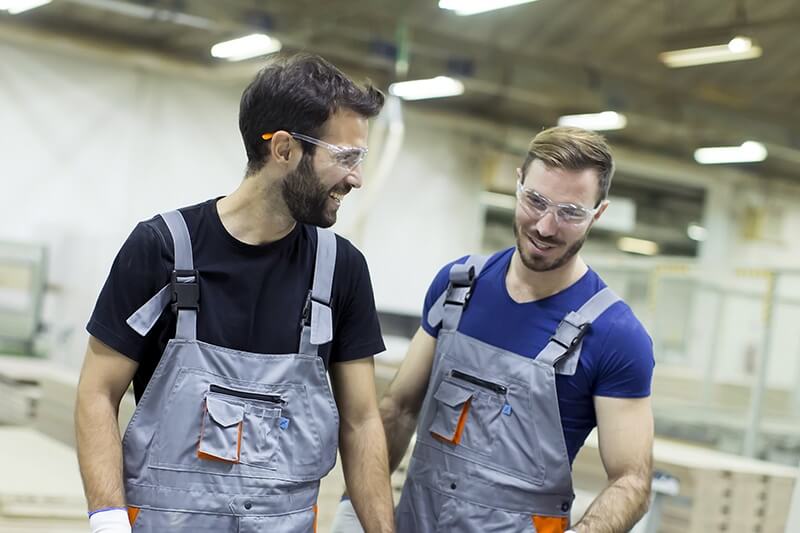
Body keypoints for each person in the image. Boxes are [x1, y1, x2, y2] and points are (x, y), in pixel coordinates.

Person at [75, 54, 395, 533]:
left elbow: (363, 421)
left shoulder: (340, 271)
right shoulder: (162, 250)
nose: (356, 178)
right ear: (284, 150)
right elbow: (97, 393)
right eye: (344, 157)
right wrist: (108, 520)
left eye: (359, 159)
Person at [332, 126, 655, 533]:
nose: (545, 226)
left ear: (599, 213)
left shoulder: (616, 336)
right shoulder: (458, 288)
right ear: (518, 183)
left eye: (570, 212)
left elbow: (632, 480)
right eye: (535, 200)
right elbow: (398, 409)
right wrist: (354, 508)